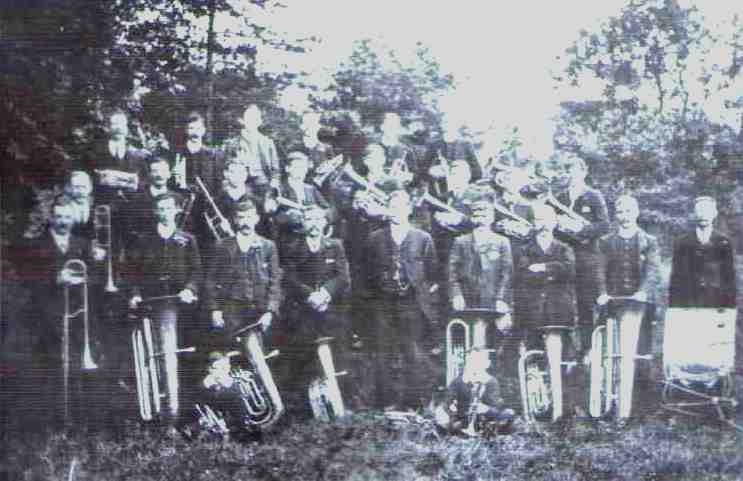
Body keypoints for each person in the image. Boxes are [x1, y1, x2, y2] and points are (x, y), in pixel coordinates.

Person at [24, 198, 106, 429]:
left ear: (73, 219)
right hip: (48, 315)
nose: (63, 221)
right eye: (58, 216)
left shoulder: (82, 243)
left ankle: (77, 420)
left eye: (67, 217)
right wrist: (55, 279)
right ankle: (54, 422)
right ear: (51, 218)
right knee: (52, 367)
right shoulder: (36, 245)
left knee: (78, 367)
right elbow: (28, 281)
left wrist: (93, 268)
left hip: (78, 314)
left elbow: (96, 280)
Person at [128, 192, 202, 426]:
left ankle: (184, 412)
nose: (165, 212)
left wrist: (190, 289)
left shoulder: (188, 239)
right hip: (155, 304)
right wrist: (135, 294)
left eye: (169, 208)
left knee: (185, 359)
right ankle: (167, 415)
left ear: (177, 211)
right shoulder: (143, 240)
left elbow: (197, 271)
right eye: (161, 208)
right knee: (160, 359)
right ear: (155, 212)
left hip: (183, 305)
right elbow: (133, 273)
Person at [365, 183, 438, 411]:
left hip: (411, 302)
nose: (396, 211)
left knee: (412, 351)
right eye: (392, 207)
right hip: (383, 302)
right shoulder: (375, 238)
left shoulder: (423, 238)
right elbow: (365, 272)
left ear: (408, 210)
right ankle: (386, 402)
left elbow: (432, 272)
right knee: (383, 352)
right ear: (387, 210)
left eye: (401, 207)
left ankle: (413, 402)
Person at [279, 205, 352, 416]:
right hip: (303, 310)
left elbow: (342, 277)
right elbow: (290, 278)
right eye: (309, 219)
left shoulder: (335, 245)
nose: (314, 223)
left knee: (338, 354)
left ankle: (340, 402)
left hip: (331, 309)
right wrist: (309, 295)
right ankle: (307, 406)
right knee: (302, 356)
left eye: (318, 218)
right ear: (303, 223)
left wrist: (326, 294)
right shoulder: (292, 247)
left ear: (325, 222)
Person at [514, 203, 582, 418]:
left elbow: (570, 270)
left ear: (554, 222)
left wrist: (542, 268)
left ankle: (564, 408)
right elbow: (524, 273)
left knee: (563, 361)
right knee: (534, 359)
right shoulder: (524, 248)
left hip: (558, 312)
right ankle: (539, 408)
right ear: (533, 223)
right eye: (538, 219)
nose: (542, 224)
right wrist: (554, 269)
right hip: (532, 311)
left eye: (546, 219)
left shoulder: (564, 247)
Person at [205, 198, 280, 344]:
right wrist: (215, 309)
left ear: (256, 219)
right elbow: (211, 280)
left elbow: (275, 281)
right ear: (234, 220)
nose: (246, 222)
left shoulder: (268, 246)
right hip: (231, 311)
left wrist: (270, 311)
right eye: (241, 217)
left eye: (249, 217)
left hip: (260, 311)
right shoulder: (222, 246)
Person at [553, 156, 609, 353]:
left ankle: (587, 351)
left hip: (587, 257)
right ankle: (566, 350)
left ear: (584, 173)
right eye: (569, 171)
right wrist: (562, 228)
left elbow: (604, 225)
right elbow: (553, 227)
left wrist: (579, 230)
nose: (572, 175)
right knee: (563, 302)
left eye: (576, 171)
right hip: (564, 256)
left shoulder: (594, 196)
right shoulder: (559, 197)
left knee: (586, 305)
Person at [264, 151, 333, 263]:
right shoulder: (279, 189)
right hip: (289, 240)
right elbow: (272, 215)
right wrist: (293, 217)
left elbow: (329, 210)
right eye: (296, 167)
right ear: (287, 169)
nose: (301, 171)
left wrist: (320, 214)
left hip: (313, 238)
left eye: (303, 167)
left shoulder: (311, 189)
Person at [669, 196, 736, 308]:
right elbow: (676, 278)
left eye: (707, 211)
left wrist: (729, 306)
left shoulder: (724, 241)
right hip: (688, 301)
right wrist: (675, 307)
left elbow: (729, 277)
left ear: (714, 214)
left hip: (716, 300)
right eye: (699, 211)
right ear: (694, 214)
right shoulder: (682, 242)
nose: (703, 215)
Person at [434, 349, 514, 435]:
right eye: (470, 362)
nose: (473, 365)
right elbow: (447, 401)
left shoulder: (491, 382)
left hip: (484, 418)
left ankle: (489, 432)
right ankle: (455, 431)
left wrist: (486, 409)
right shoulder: (458, 381)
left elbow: (495, 406)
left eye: (477, 362)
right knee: (441, 414)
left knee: (508, 414)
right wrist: (445, 411)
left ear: (486, 364)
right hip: (462, 418)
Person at [232, 103, 280, 198]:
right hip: (243, 185)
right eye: (249, 118)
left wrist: (274, 183)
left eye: (256, 118)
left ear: (260, 121)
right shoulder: (233, 144)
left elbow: (275, 169)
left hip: (265, 184)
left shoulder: (267, 142)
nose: (253, 121)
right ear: (242, 120)